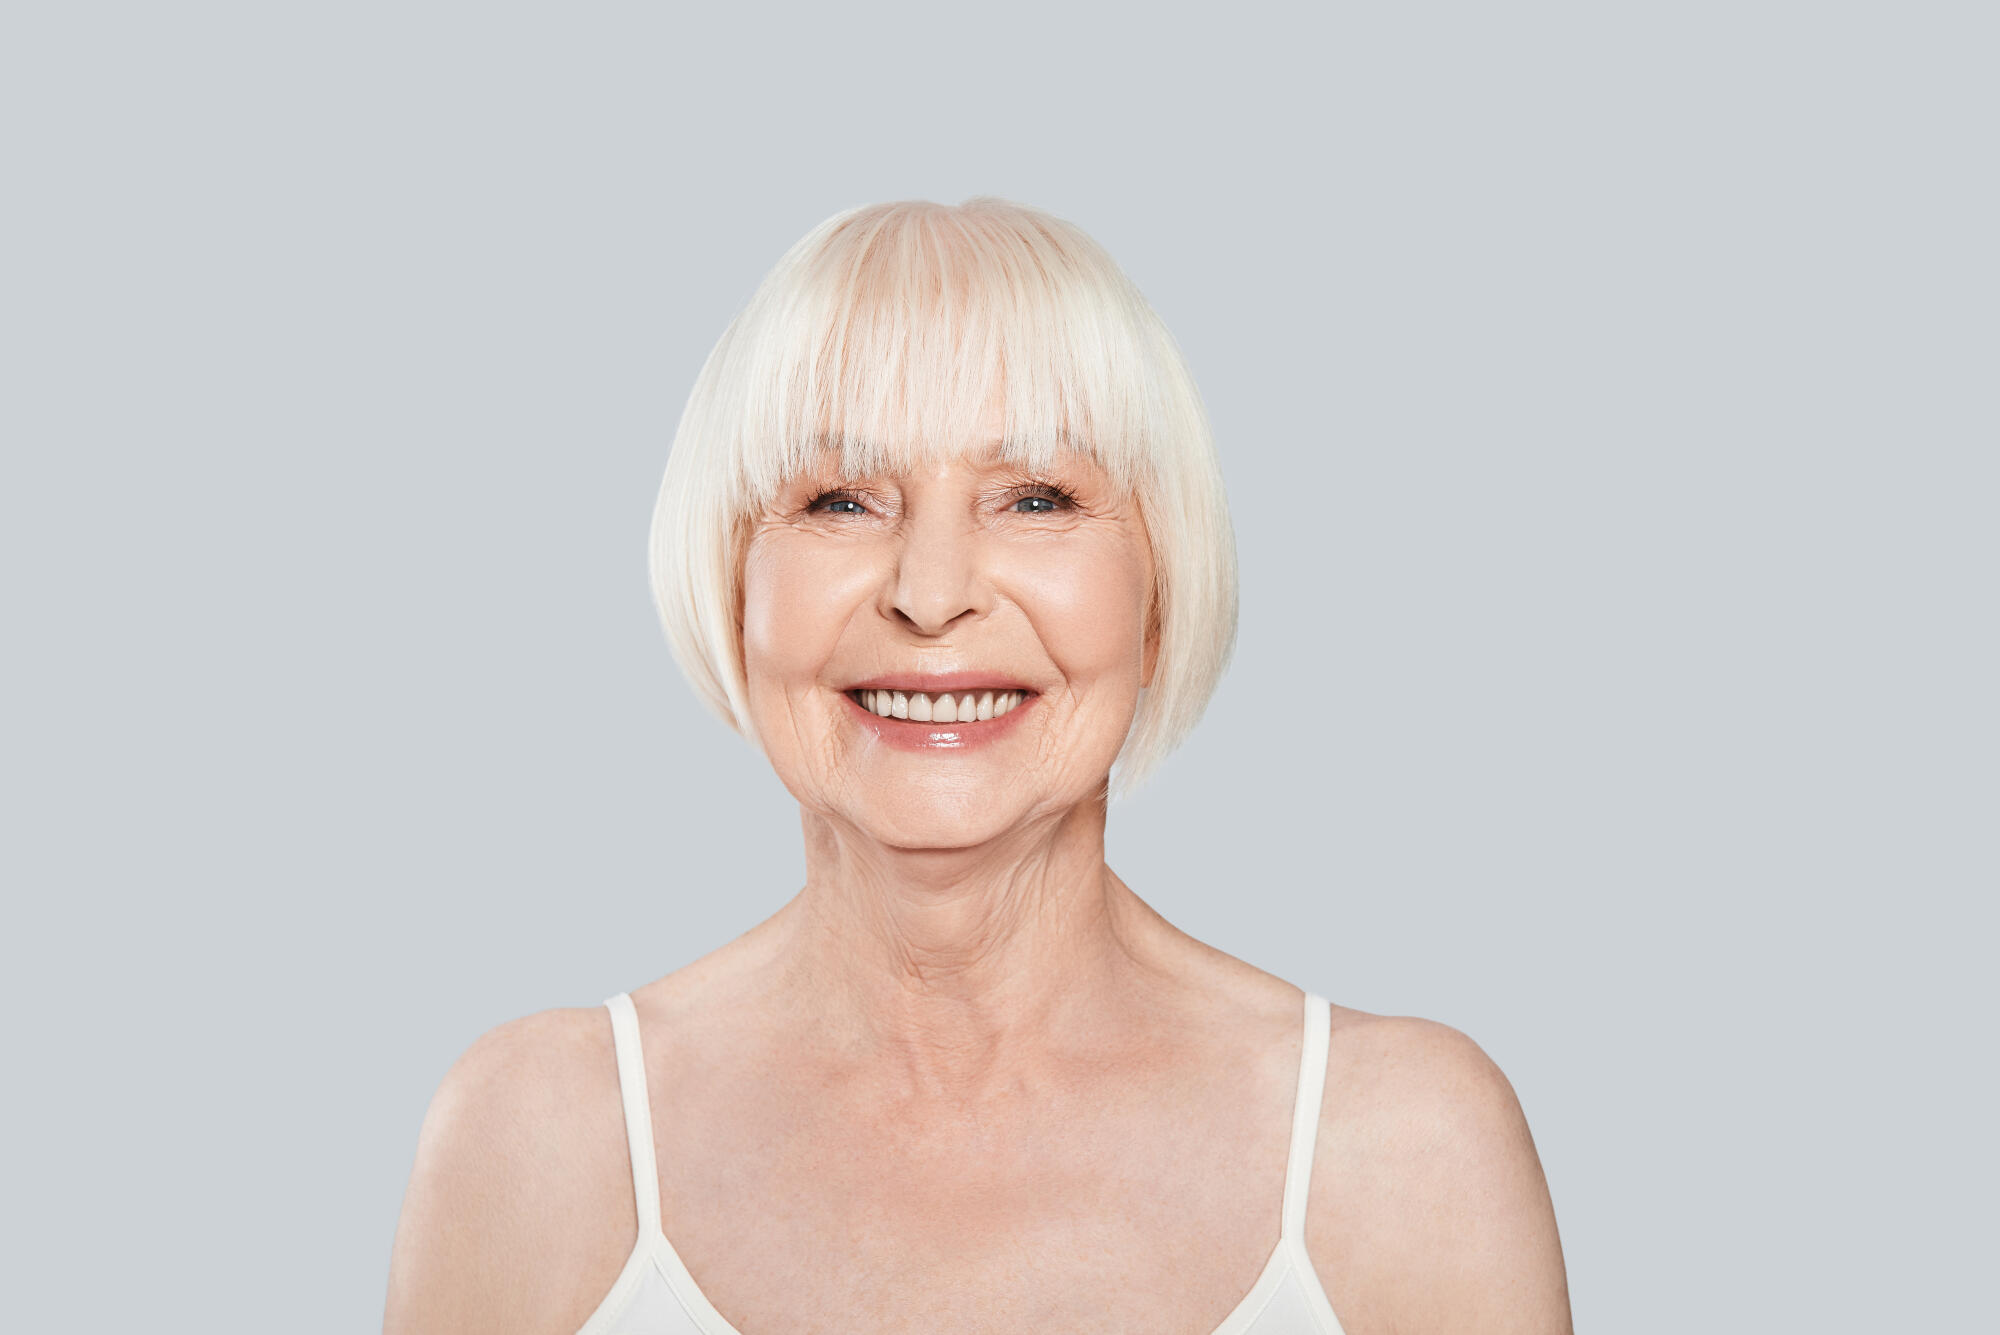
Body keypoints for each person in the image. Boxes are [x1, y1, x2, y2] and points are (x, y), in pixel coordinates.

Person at [382, 197, 1573, 1334]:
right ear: (731, 584)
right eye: (842, 499)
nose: (932, 593)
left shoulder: (1401, 1151)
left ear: (1158, 594)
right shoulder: (536, 1142)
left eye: (1036, 497)